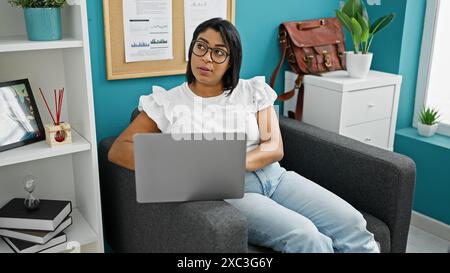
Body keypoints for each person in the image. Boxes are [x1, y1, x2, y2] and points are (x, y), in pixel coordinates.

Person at [108, 18, 380, 253]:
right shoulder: (167, 102)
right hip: (234, 192)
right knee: (306, 236)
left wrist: (227, 161)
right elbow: (119, 150)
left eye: (219, 52)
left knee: (353, 223)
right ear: (191, 49)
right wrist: (188, 167)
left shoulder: (252, 90)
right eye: (201, 46)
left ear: (231, 61)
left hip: (277, 178)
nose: (206, 58)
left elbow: (274, 147)